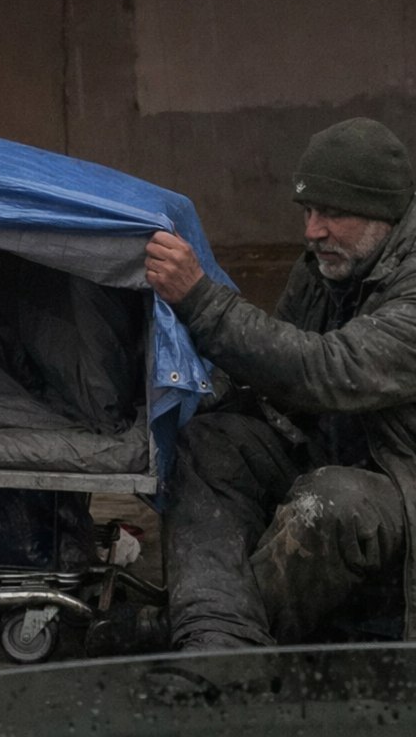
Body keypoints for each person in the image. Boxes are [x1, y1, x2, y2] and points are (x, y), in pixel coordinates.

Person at [144, 117, 416, 651]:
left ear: (383, 213)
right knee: (208, 444)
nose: (313, 230)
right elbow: (274, 380)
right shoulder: (326, 266)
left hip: (400, 483)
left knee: (332, 502)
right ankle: (217, 645)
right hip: (331, 447)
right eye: (309, 211)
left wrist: (200, 301)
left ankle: (183, 632)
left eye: (333, 213)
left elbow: (325, 370)